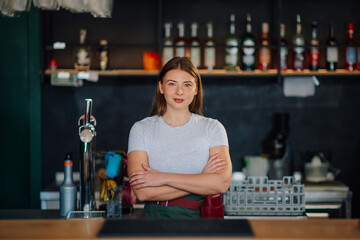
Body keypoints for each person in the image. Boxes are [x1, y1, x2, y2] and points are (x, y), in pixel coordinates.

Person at [127, 57, 232, 219]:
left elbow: (221, 184)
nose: (179, 92)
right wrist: (201, 180)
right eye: (171, 84)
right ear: (161, 87)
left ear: (196, 88)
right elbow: (143, 192)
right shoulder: (141, 129)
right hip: (156, 219)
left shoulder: (213, 128)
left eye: (187, 84)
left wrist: (163, 178)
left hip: (201, 219)